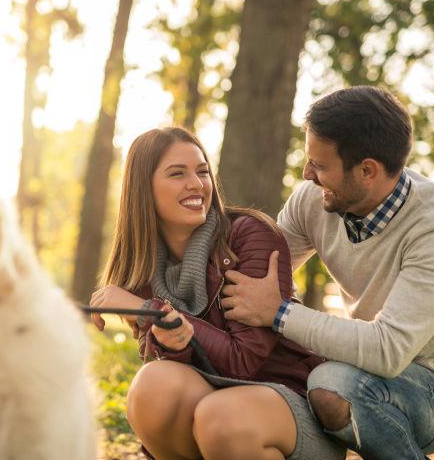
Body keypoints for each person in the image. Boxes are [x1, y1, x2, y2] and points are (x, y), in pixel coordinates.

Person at [221, 86, 434, 459]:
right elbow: (257, 275)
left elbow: (387, 350)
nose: (306, 173)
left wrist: (280, 313)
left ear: (366, 171)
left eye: (320, 165)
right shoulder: (311, 199)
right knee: (320, 376)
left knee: (332, 385)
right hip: (363, 366)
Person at [89, 127, 345, 460]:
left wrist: (153, 310)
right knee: (153, 385)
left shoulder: (249, 236)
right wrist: (171, 338)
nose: (196, 184)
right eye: (177, 174)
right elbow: (177, 371)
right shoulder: (143, 269)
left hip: (287, 407)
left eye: (202, 171)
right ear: (143, 189)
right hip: (213, 409)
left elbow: (243, 362)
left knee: (220, 417)